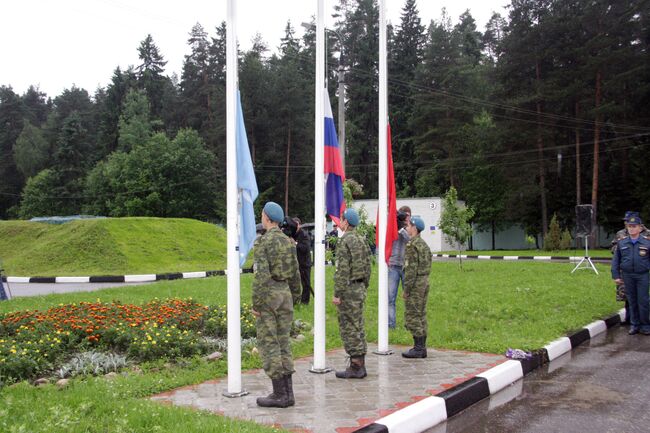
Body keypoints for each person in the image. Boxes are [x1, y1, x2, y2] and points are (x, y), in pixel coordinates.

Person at [252, 202, 301, 407]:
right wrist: (296, 295)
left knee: (270, 343)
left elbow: (261, 275)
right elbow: (296, 271)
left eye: (262, 215)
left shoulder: (263, 242)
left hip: (269, 295)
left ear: (267, 218)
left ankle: (279, 394)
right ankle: (288, 394)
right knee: (283, 342)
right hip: (285, 294)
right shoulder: (288, 242)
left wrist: (257, 302)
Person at [332, 208, 372, 379]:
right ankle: (360, 363)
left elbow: (342, 270)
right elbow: (369, 266)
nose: (339, 222)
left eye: (341, 219)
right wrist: (364, 285)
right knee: (358, 325)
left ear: (346, 222)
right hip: (360, 287)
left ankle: (356, 366)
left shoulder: (345, 241)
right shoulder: (362, 240)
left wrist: (337, 293)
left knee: (349, 326)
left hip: (348, 289)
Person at [611, 213, 650, 336]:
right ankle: (634, 325)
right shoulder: (622, 243)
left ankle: (645, 325)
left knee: (643, 300)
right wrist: (616, 275)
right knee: (631, 301)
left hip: (642, 275)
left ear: (640, 228)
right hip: (628, 275)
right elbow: (616, 260)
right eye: (629, 226)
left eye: (634, 226)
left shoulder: (647, 243)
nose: (632, 228)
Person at [401, 216, 432, 358]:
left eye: (408, 225)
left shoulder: (412, 245)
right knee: (421, 314)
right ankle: (422, 347)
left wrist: (406, 289)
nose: (407, 228)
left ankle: (418, 348)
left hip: (416, 284)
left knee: (413, 315)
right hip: (425, 281)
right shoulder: (424, 245)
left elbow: (411, 270)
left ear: (414, 228)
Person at [388, 206, 412, 329]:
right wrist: (395, 225)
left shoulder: (411, 228)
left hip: (406, 266)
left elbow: (411, 240)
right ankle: (391, 325)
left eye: (407, 216)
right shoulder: (393, 226)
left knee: (409, 297)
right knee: (390, 298)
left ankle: (409, 324)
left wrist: (403, 228)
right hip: (393, 265)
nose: (405, 218)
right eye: (404, 216)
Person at [293, 217, 313, 305]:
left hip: (304, 263)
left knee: (306, 284)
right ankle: (295, 300)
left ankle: (305, 301)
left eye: (296, 225)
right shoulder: (292, 234)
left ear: (299, 225)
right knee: (294, 282)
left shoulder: (304, 235)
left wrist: (295, 244)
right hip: (295, 263)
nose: (295, 227)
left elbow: (305, 248)